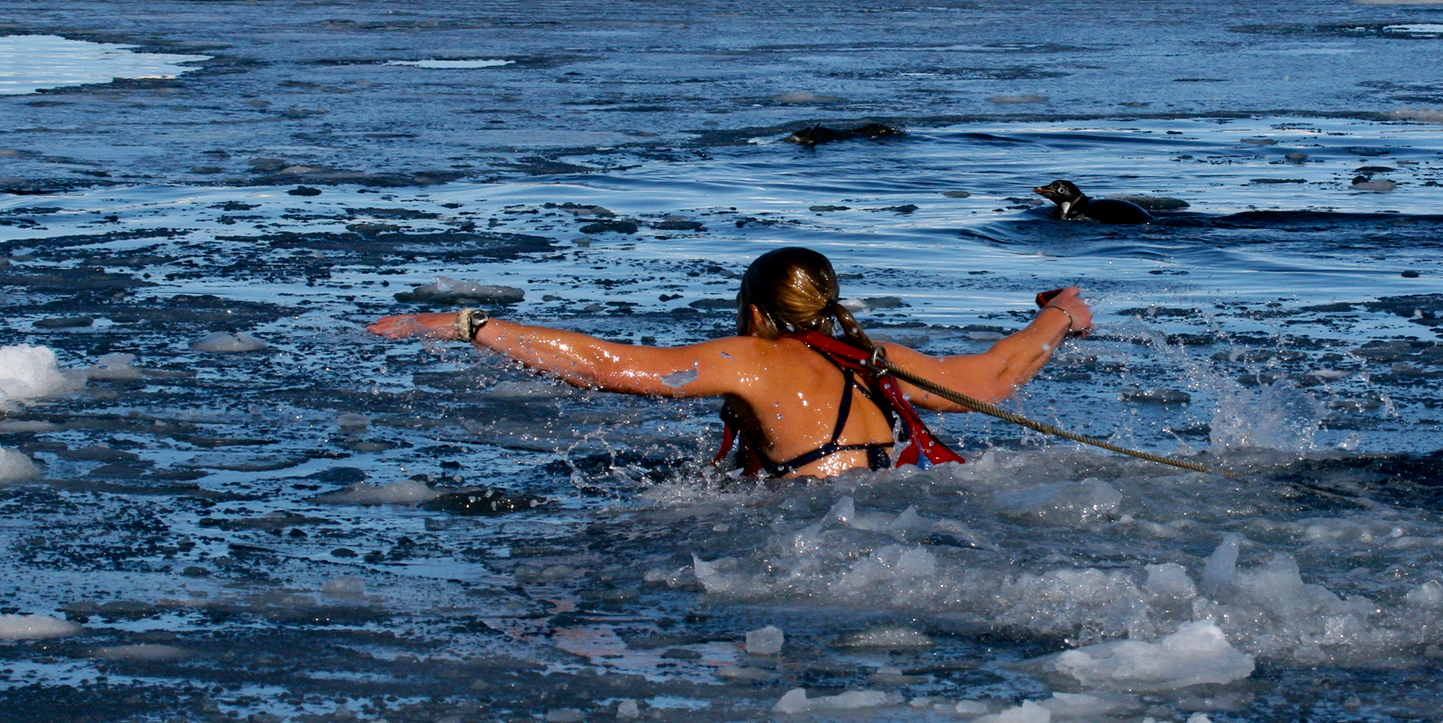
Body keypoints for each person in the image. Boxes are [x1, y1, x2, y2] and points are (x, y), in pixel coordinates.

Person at [367, 247, 1093, 479]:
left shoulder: (752, 359)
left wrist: (468, 324)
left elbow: (606, 367)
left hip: (808, 536)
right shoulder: (877, 359)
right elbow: (997, 377)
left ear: (753, 313)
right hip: (894, 509)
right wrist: (1060, 313)